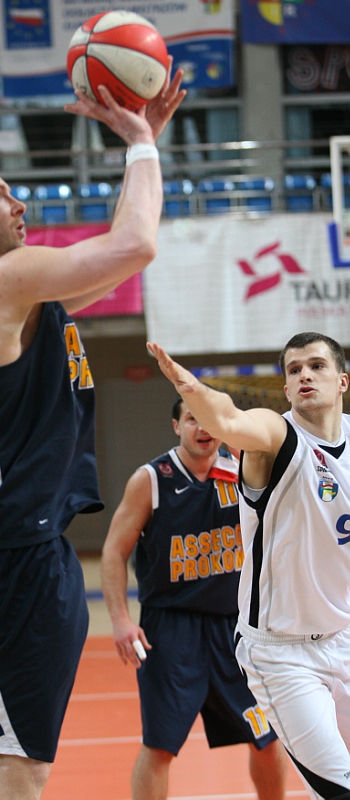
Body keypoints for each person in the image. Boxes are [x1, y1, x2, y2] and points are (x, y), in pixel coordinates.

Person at [0, 64, 186, 800]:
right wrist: (138, 143)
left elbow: (116, 263)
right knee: (21, 761)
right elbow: (136, 248)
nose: (20, 202)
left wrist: (141, 152)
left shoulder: (16, 295)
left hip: (15, 543)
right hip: (8, 549)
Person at [147, 332, 350, 800]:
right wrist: (190, 387)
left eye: (316, 366)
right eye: (294, 369)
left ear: (342, 381)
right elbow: (229, 419)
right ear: (286, 388)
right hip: (284, 655)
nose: (304, 375)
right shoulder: (276, 437)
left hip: (342, 636)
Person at [101, 398, 287, 800]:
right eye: (192, 419)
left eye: (208, 419)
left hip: (235, 628)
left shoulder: (244, 471)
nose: (202, 428)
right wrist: (120, 619)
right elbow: (114, 551)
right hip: (171, 629)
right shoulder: (151, 479)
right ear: (176, 426)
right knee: (160, 746)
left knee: (269, 738)